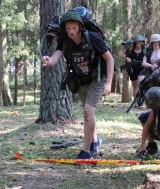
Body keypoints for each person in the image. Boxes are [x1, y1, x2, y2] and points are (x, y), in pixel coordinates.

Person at [42, 9, 114, 159]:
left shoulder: (92, 38)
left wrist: (108, 83)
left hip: (97, 78)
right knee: (88, 113)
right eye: (68, 28)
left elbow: (109, 59)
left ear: (80, 27)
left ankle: (86, 151)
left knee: (88, 110)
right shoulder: (65, 41)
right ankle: (95, 141)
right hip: (80, 80)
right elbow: (57, 56)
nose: (71, 31)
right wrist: (49, 61)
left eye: (74, 28)